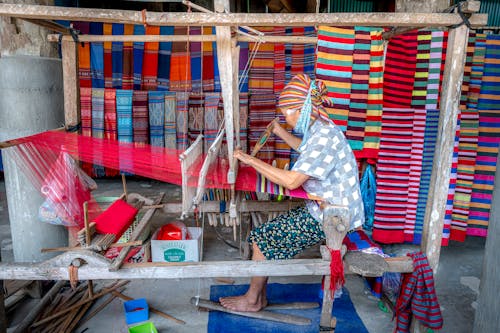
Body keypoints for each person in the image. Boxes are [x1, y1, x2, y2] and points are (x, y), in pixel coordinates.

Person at [220, 73, 364, 312]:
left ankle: (253, 299)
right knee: (262, 235)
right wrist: (278, 131)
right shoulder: (321, 128)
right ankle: (260, 295)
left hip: (334, 217)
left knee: (262, 238)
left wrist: (248, 160)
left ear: (303, 108)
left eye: (287, 113)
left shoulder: (324, 137)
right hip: (325, 208)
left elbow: (292, 182)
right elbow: (306, 151)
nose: (286, 118)